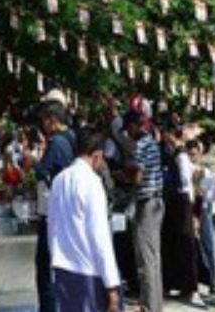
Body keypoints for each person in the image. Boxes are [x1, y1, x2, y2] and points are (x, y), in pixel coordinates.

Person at [48, 131, 120, 312]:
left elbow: (52, 227)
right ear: (98, 156)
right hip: (88, 271)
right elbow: (100, 236)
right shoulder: (92, 183)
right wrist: (111, 285)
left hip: (62, 268)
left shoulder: (58, 180)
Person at [35, 99, 76, 312]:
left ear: (52, 121)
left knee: (45, 268)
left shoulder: (57, 142)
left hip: (53, 212)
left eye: (44, 121)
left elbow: (42, 171)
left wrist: (33, 161)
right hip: (66, 210)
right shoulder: (72, 137)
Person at [160, 125, 200, 306]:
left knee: (185, 242)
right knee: (173, 242)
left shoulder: (181, 155)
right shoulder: (173, 154)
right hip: (175, 201)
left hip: (181, 201)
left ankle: (189, 287)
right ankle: (174, 283)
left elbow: (185, 180)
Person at [127, 110, 164, 312]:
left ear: (133, 126)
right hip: (157, 201)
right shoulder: (152, 141)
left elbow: (138, 176)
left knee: (145, 259)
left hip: (146, 203)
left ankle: (149, 306)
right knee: (154, 256)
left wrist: (127, 180)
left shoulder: (140, 145)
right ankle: (155, 303)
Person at [189, 139, 215, 297]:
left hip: (202, 209)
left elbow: (204, 194)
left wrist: (197, 215)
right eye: (190, 154)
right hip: (189, 209)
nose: (192, 156)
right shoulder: (187, 169)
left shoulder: (206, 172)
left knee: (207, 245)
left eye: (195, 153)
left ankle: (212, 281)